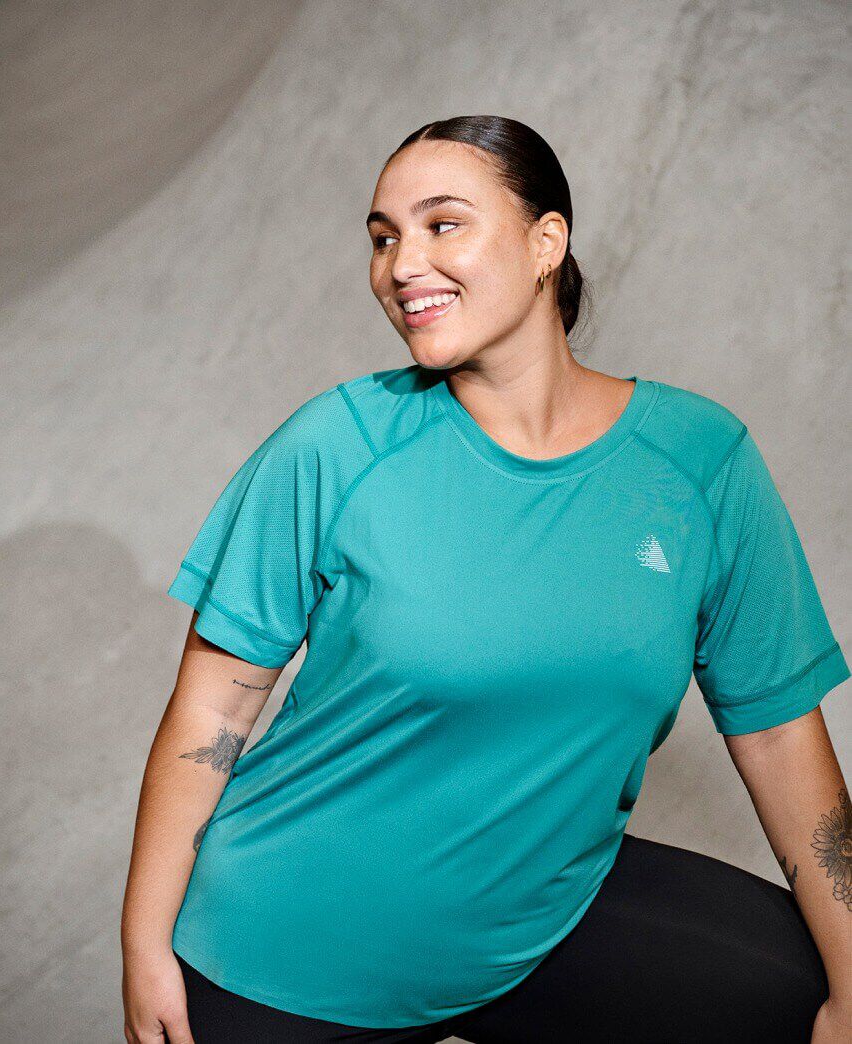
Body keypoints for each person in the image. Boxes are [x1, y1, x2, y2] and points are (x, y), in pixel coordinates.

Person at [121, 116, 851, 1044]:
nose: (401, 265)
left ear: (547, 242)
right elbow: (210, 713)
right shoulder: (335, 446)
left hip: (543, 913)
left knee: (803, 992)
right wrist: (144, 943)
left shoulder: (699, 462)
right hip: (297, 945)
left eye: (442, 225)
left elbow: (779, 735)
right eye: (382, 237)